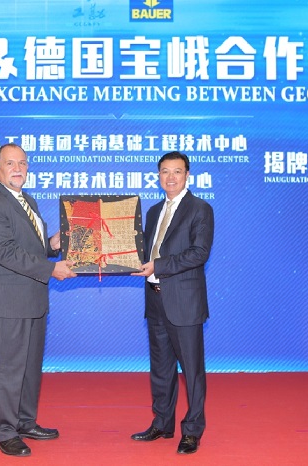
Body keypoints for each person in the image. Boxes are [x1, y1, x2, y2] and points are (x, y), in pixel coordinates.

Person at [0, 143, 77, 457]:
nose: (17, 168)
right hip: (8, 301)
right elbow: (6, 252)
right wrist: (51, 268)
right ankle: (3, 431)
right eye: (10, 163)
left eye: (22, 163)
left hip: (32, 299)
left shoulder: (26, 200)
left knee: (30, 366)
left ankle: (24, 422)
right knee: (8, 367)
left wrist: (52, 244)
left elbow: (30, 248)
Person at [130, 151, 214, 455]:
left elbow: (199, 253)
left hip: (184, 302)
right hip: (155, 299)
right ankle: (162, 423)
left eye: (177, 171)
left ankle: (192, 431)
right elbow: (141, 250)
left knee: (192, 371)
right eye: (165, 171)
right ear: (158, 176)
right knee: (161, 368)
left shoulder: (200, 209)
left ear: (187, 175)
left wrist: (159, 266)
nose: (171, 177)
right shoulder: (154, 211)